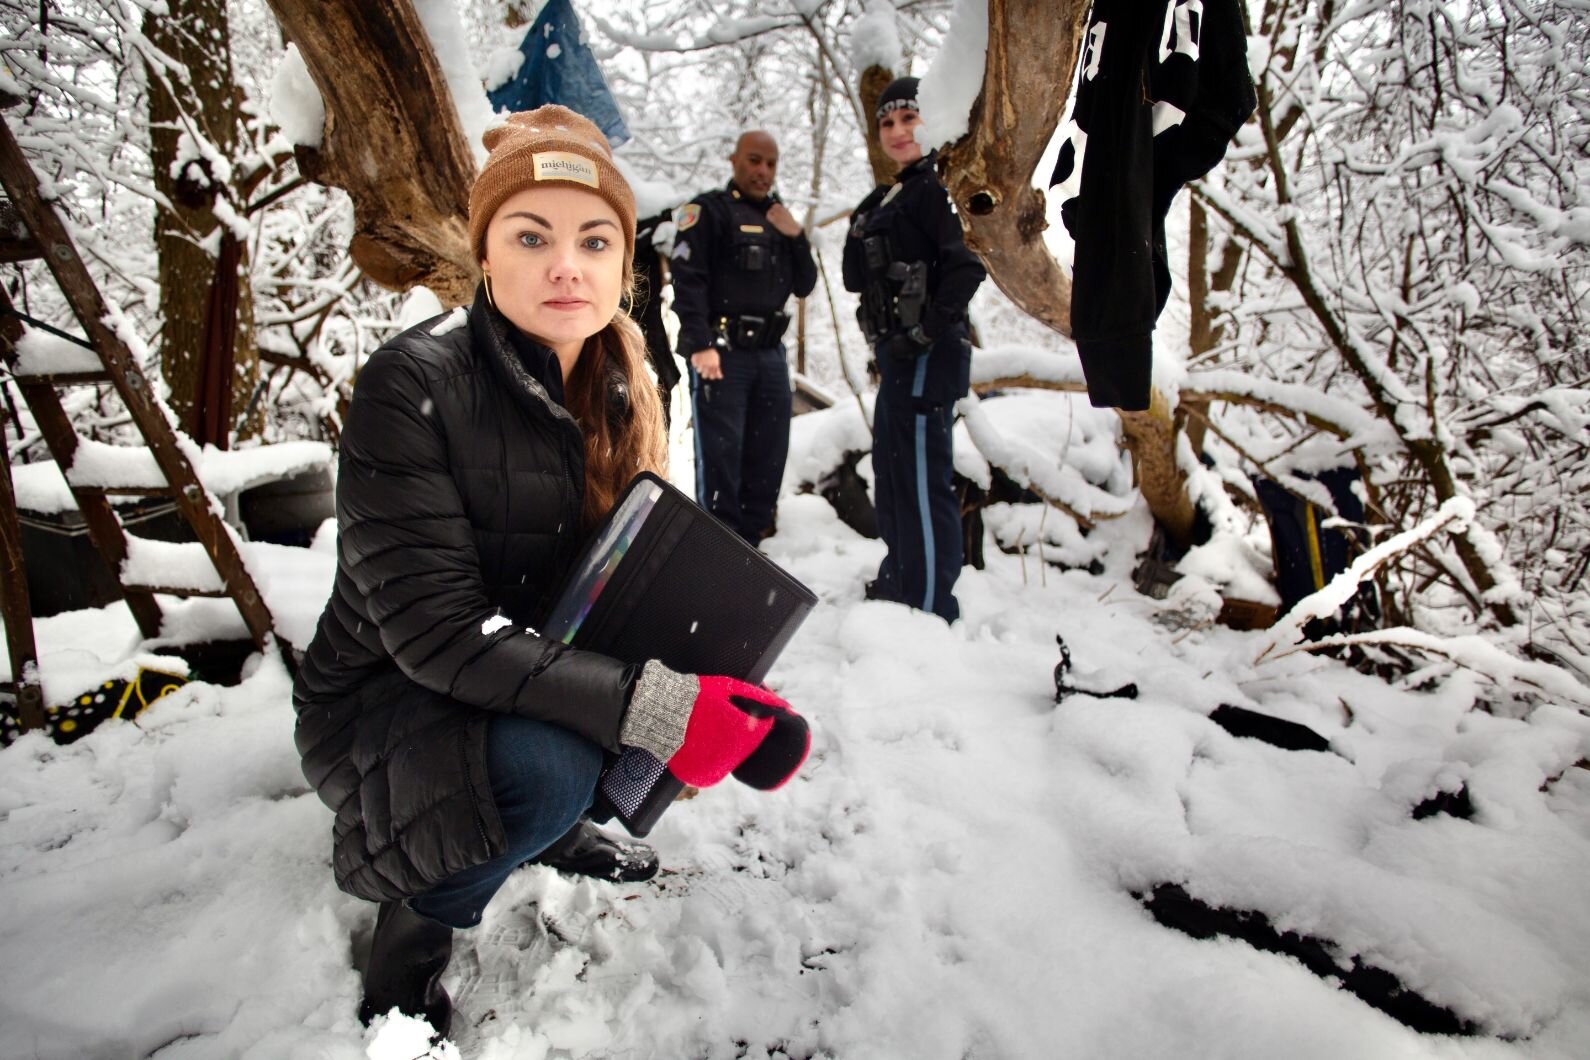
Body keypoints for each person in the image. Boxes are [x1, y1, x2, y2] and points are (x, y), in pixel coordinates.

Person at [291, 106, 810, 1039]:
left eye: (593, 240)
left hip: (509, 674)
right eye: (531, 236)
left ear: (623, 263)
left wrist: (719, 683)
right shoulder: (410, 386)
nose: (565, 265)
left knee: (618, 713)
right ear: (486, 256)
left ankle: (550, 822)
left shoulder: (622, 381)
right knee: (552, 766)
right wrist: (656, 711)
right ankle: (408, 951)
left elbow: (627, 583)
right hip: (377, 704)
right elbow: (439, 635)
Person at [843, 77, 987, 624]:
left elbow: (967, 264)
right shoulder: (890, 197)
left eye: (910, 118)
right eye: (888, 122)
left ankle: (929, 602)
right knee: (894, 472)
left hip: (930, 352)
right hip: (896, 356)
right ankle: (901, 579)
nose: (899, 131)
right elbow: (857, 276)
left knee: (924, 479)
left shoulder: (939, 187)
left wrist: (926, 331)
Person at [669, 130, 817, 543]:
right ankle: (719, 553)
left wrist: (797, 236)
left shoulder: (779, 216)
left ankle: (751, 551)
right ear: (734, 160)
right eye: (754, 160)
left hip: (770, 356)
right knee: (721, 458)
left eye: (771, 163)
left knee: (768, 458)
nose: (763, 171)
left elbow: (804, 285)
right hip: (723, 352)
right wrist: (699, 344)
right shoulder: (707, 212)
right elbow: (688, 280)